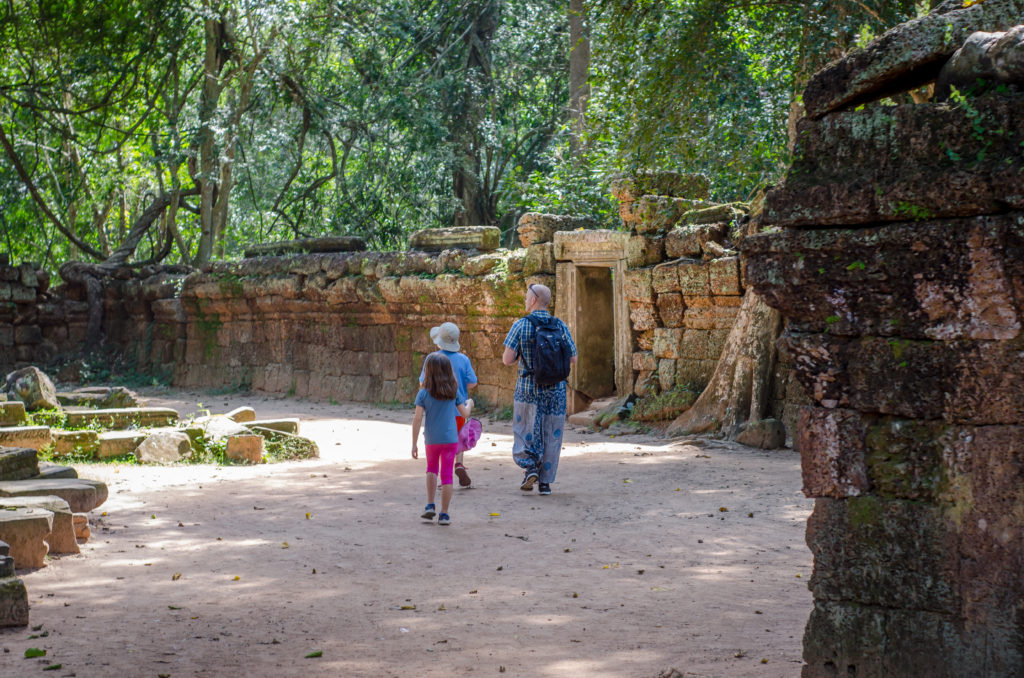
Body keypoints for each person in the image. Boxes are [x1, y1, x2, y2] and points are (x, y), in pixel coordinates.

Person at [501, 283, 577, 495]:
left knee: (524, 428)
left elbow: (507, 360)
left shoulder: (521, 325)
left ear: (534, 300)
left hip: (528, 387)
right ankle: (545, 483)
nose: (525, 300)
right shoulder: (560, 325)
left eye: (527, 297)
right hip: (556, 391)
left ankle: (530, 467)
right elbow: (573, 357)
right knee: (551, 434)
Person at [412, 353, 470, 525]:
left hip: (431, 439)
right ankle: (444, 514)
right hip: (450, 439)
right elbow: (465, 413)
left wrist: (414, 443)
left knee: (431, 469)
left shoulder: (423, 394)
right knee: (447, 475)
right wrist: (470, 404)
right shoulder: (453, 392)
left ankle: (430, 504)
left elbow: (417, 419)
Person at [419, 322, 478, 486]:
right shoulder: (463, 359)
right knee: (458, 437)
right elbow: (473, 382)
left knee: (440, 440)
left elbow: (422, 383)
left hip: (438, 410)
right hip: (459, 408)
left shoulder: (432, 359)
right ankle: (459, 463)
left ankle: (440, 474)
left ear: (439, 342)